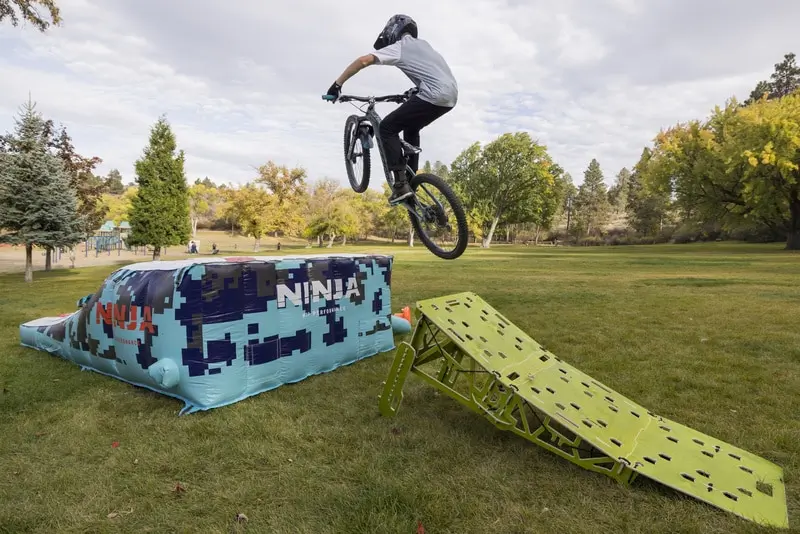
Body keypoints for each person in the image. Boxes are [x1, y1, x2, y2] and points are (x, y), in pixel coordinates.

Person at [325, 14, 458, 204]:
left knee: (386, 127)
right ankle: (411, 181)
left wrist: (337, 84)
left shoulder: (400, 46)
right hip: (450, 96)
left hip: (433, 94)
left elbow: (363, 61)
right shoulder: (425, 46)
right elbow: (432, 73)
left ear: (392, 32)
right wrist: (415, 90)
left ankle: (400, 184)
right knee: (411, 127)